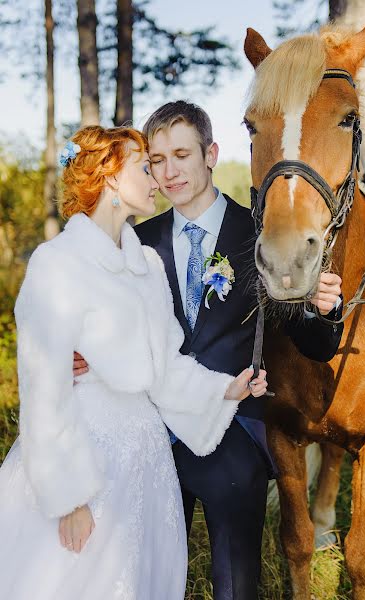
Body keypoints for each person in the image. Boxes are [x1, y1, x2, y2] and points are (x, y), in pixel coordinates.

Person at [0, 125, 268, 600]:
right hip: (86, 460)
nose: (157, 179)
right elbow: (45, 392)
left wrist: (227, 388)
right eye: (144, 167)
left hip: (145, 465)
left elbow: (164, 365)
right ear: (109, 179)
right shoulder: (56, 264)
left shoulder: (146, 264)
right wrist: (69, 499)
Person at [134, 102, 344, 599]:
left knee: (235, 585)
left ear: (211, 154)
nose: (170, 171)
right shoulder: (137, 243)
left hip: (233, 432)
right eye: (158, 159)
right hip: (153, 436)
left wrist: (323, 308)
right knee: (150, 580)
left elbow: (315, 344)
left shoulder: (260, 234)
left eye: (182, 154)